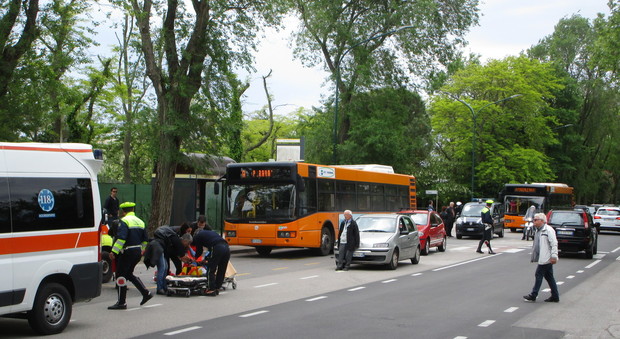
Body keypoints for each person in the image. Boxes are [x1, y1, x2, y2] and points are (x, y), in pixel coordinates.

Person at [108, 202, 153, 310]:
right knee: (128, 273)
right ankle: (146, 293)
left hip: (127, 251)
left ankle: (121, 302)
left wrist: (114, 252)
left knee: (120, 275)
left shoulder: (124, 221)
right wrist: (142, 250)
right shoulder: (140, 222)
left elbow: (121, 239)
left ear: (123, 212)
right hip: (137, 252)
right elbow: (145, 239)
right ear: (133, 209)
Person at [144, 226, 192, 294]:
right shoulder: (177, 240)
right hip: (158, 248)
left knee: (165, 267)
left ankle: (164, 286)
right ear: (185, 240)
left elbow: (179, 256)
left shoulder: (170, 238)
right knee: (162, 268)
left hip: (160, 248)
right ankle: (160, 288)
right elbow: (182, 256)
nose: (188, 245)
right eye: (188, 243)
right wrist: (190, 260)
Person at [523, 213, 560, 303]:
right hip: (543, 257)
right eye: (534, 220)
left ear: (542, 221)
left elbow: (554, 243)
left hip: (546, 258)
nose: (534, 221)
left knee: (538, 274)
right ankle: (555, 296)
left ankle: (533, 294)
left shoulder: (548, 230)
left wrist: (554, 256)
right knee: (549, 276)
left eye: (536, 220)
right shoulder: (538, 230)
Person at [192, 229, 231, 296]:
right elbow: (211, 251)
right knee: (221, 270)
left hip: (217, 247)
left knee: (211, 269)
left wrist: (196, 259)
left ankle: (211, 289)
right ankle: (217, 288)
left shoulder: (198, 236)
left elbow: (199, 250)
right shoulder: (210, 233)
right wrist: (206, 259)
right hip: (226, 247)